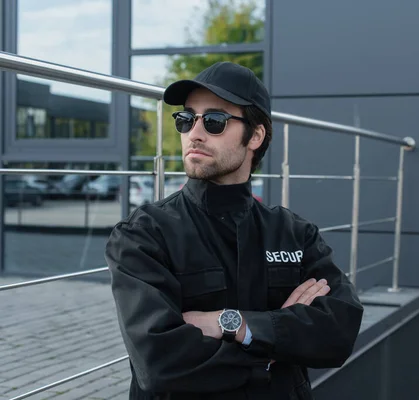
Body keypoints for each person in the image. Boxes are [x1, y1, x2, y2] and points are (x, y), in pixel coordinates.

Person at [105, 61, 364, 400]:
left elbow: (338, 332)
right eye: (186, 119)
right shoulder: (143, 235)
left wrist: (232, 324)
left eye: (214, 121)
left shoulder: (295, 233)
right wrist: (274, 350)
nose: (194, 133)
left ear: (255, 136)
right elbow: (159, 363)